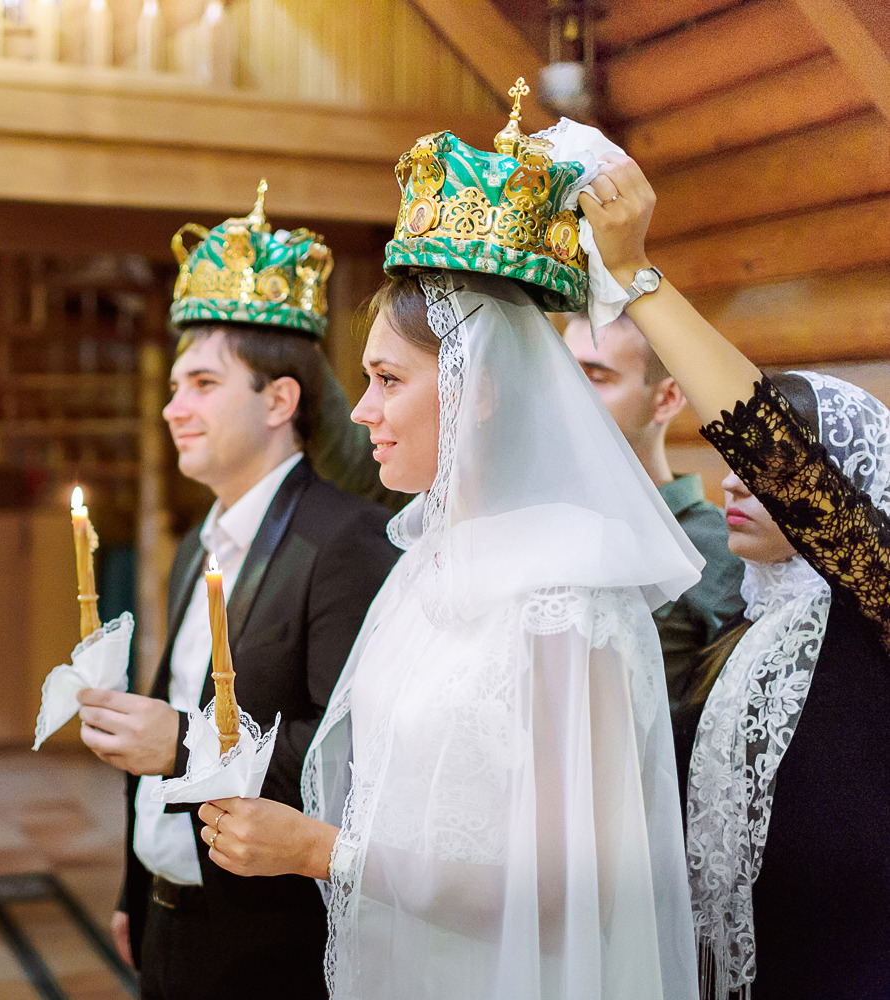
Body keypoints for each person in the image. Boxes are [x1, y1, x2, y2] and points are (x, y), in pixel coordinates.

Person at [191, 107, 704, 999]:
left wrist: (320, 851)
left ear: (484, 389)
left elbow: (567, 891)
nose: (360, 412)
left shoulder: (566, 592)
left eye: (388, 380)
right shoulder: (428, 558)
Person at [74, 186, 398, 1000]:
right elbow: (173, 703)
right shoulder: (197, 542)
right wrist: (134, 887)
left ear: (279, 400)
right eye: (177, 385)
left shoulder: (343, 540)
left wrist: (181, 742)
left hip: (267, 935)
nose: (171, 407)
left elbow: (351, 757)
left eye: (203, 385)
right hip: (168, 909)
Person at [580, 153, 890, 999]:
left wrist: (637, 276)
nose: (738, 481)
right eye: (732, 465)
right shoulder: (752, 632)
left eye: (768, 467)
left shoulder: (875, 605)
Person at [563, 314, 745, 772]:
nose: (566, 395)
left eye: (596, 377)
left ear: (666, 398)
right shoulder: (536, 520)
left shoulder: (719, 546)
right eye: (561, 372)